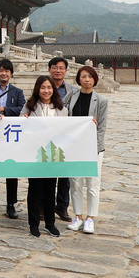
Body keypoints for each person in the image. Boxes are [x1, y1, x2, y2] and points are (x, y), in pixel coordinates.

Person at [20, 75, 67, 238]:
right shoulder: (30, 106)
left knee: (50, 190)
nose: (46, 91)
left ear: (53, 90)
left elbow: (68, 129)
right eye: (43, 87)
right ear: (37, 89)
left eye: (49, 87)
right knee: (34, 190)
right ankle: (33, 224)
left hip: (53, 155)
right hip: (35, 154)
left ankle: (50, 223)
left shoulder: (61, 108)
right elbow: (20, 125)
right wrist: (23, 119)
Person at [67, 66, 108, 235]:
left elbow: (102, 127)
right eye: (83, 76)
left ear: (95, 79)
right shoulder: (71, 95)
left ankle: (90, 218)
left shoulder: (101, 100)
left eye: (90, 77)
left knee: (92, 184)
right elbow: (61, 112)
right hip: (75, 146)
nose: (87, 80)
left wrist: (95, 148)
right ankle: (77, 216)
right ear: (78, 79)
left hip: (93, 147)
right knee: (75, 183)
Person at [0, 58, 26, 219]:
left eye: (7, 71)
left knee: (11, 170)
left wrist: (4, 109)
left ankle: (11, 204)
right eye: (1, 70)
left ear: (11, 74)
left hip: (11, 135)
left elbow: (21, 109)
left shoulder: (17, 92)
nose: (3, 73)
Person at [48, 56, 76, 222]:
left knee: (65, 174)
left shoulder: (73, 90)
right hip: (47, 136)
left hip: (66, 136)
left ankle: (62, 207)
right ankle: (46, 206)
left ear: (66, 71)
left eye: (61, 68)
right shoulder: (43, 87)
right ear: (49, 69)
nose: (58, 70)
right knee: (46, 173)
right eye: (54, 67)